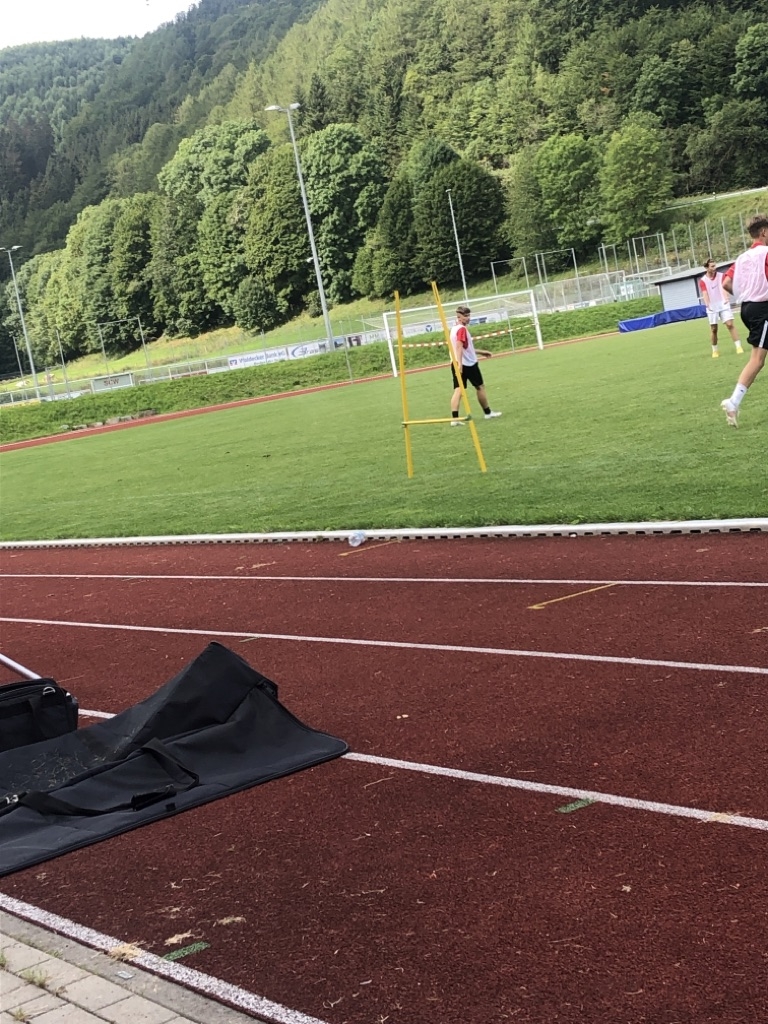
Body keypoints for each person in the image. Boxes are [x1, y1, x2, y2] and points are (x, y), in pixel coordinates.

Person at [719, 214, 768, 427]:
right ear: (764, 232)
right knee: (757, 359)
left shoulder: (742, 258)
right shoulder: (766, 253)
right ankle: (733, 402)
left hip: (747, 308)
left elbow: (726, 283)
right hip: (762, 309)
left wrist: (745, 293)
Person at [449, 305, 502, 425]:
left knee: (458, 390)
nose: (468, 318)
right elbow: (459, 346)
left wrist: (481, 352)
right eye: (465, 316)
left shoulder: (454, 329)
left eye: (469, 315)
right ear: (459, 317)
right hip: (468, 364)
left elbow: (465, 348)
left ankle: (454, 419)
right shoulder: (462, 329)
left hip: (455, 362)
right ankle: (488, 413)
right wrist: (460, 364)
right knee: (480, 387)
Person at [699, 258, 743, 358]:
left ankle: (738, 347)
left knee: (730, 324)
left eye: (715, 265)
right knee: (714, 329)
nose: (715, 268)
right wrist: (707, 305)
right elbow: (705, 293)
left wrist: (726, 297)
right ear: (706, 268)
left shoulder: (721, 276)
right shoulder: (703, 280)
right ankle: (715, 350)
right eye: (712, 266)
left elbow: (724, 287)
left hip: (723, 303)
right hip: (712, 305)